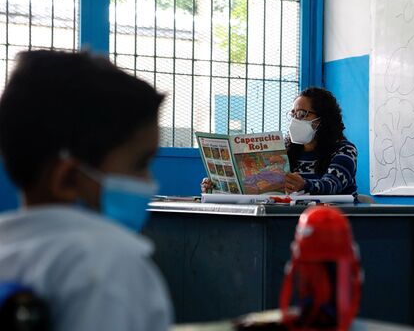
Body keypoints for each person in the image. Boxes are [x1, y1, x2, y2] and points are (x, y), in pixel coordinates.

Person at [0, 50, 172, 330]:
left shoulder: (8, 248)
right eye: (140, 164)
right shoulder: (107, 265)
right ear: (67, 179)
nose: (150, 182)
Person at [201, 87, 357, 196]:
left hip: (332, 223)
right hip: (290, 220)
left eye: (302, 114)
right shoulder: (284, 152)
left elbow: (332, 185)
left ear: (323, 118)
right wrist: (218, 187)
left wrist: (304, 185)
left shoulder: (344, 150)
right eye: (293, 114)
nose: (296, 120)